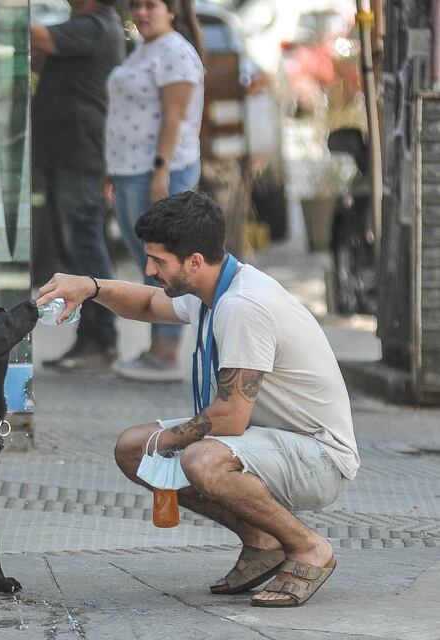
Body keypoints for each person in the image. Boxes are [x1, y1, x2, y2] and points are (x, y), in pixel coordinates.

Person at [36, 191, 360, 607]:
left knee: (199, 460)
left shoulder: (244, 306)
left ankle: (308, 547)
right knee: (133, 449)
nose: (149, 269)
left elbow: (229, 419)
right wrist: (92, 286)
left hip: (321, 458)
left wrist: (166, 447)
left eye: (158, 261)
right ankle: (262, 540)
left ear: (193, 261)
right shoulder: (215, 282)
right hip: (274, 442)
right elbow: (149, 303)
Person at [105, 0, 204, 381]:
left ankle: (166, 351)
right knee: (148, 262)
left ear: (172, 10)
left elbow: (174, 116)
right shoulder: (145, 50)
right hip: (131, 170)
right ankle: (155, 346)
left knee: (164, 261)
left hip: (160, 170)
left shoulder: (176, 52)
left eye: (151, 5)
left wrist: (161, 170)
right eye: (137, 6)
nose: (141, 13)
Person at [31, 0, 126, 373]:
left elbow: (37, 35)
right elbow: (42, 53)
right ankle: (88, 341)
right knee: (73, 251)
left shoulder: (97, 25)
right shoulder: (82, 27)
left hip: (80, 156)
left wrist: (0, 13)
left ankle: (103, 341)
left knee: (84, 246)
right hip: (65, 156)